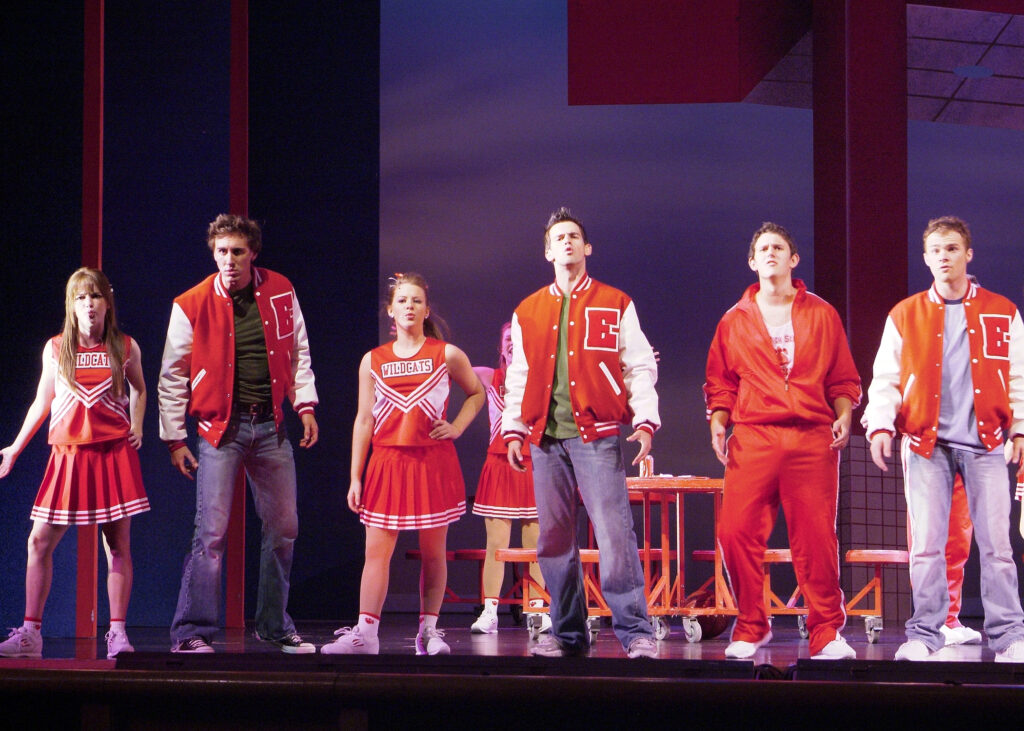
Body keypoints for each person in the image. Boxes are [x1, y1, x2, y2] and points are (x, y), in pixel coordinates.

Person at [862, 215, 1024, 662]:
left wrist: (1020, 427)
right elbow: (886, 378)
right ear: (925, 258)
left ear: (968, 255)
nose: (943, 257)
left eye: (952, 249)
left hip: (986, 443)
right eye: (936, 250)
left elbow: (1018, 375)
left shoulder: (1002, 309)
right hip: (925, 445)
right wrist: (879, 425)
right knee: (927, 545)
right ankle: (925, 634)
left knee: (997, 547)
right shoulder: (906, 313)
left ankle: (1009, 635)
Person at [502, 207, 660, 659]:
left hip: (598, 436)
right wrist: (514, 428)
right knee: (553, 541)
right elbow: (520, 374)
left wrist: (646, 420)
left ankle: (635, 632)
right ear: (548, 250)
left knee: (613, 534)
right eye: (559, 237)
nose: (567, 242)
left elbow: (639, 364)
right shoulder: (528, 310)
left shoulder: (615, 302)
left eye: (574, 236)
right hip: (546, 440)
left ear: (586, 247)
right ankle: (569, 633)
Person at [159, 214, 319, 654]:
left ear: (253, 253)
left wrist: (305, 405)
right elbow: (172, 374)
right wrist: (174, 439)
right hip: (219, 430)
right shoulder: (190, 303)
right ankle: (190, 631)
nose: (228, 260)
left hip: (271, 425)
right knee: (210, 532)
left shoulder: (281, 288)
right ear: (213, 253)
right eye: (221, 252)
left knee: (284, 527)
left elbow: (298, 350)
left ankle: (273, 624)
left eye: (237, 252)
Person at [704, 222, 861, 661]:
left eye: (779, 247)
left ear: (793, 260)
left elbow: (844, 378)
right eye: (762, 248)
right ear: (752, 262)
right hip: (754, 435)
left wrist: (844, 416)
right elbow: (720, 383)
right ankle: (753, 626)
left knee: (815, 541)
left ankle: (826, 631)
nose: (770, 253)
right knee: (734, 532)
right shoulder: (733, 320)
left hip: (811, 437)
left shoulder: (822, 314)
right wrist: (718, 421)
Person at [321, 272, 485, 655]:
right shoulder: (372, 360)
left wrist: (458, 426)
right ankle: (366, 635)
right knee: (376, 553)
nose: (409, 306)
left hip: (433, 464)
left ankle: (428, 633)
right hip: (387, 463)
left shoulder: (445, 353)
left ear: (426, 309)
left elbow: (477, 392)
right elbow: (364, 419)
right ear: (390, 310)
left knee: (433, 553)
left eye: (416, 300)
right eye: (402, 300)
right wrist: (354, 476)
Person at [0, 268, 149, 659]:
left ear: (107, 303)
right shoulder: (56, 348)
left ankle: (117, 633)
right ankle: (31, 634)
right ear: (71, 305)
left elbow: (140, 388)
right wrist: (15, 447)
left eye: (95, 296)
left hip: (112, 454)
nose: (88, 304)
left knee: (117, 546)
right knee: (38, 541)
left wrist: (136, 424)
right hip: (67, 454)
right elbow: (41, 402)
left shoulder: (125, 347)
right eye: (81, 297)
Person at [470, 322, 549, 634]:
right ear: (501, 347)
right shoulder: (491, 377)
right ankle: (490, 611)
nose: (514, 343)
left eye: (520, 338)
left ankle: (538, 610)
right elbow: (448, 364)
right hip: (500, 465)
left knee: (536, 546)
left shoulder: (542, 381)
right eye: (508, 338)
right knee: (496, 546)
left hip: (534, 466)